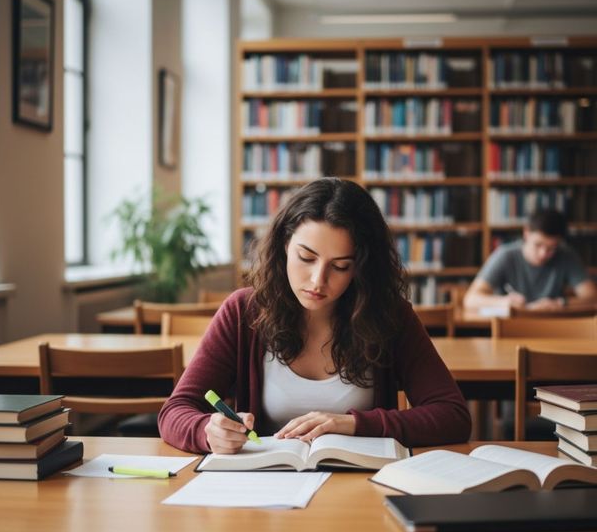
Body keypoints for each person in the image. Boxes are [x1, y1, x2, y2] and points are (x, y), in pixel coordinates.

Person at [158, 178, 471, 454]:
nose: (318, 280)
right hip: (263, 493)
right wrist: (206, 431)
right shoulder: (243, 311)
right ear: (284, 246)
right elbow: (174, 412)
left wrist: (351, 424)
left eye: (340, 266)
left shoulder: (390, 316)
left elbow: (453, 416)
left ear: (361, 267)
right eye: (306, 257)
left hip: (362, 494)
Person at [464, 209, 597, 312]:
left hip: (551, 328)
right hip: (510, 328)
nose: (543, 253)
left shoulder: (566, 255)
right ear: (526, 233)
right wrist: (503, 301)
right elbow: (470, 299)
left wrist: (560, 303)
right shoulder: (505, 255)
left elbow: (592, 297)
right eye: (538, 245)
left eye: (552, 248)